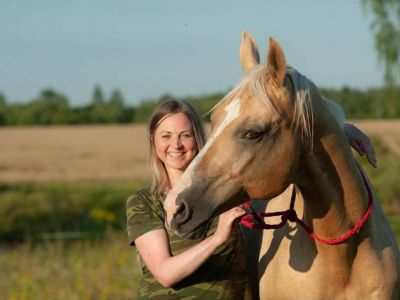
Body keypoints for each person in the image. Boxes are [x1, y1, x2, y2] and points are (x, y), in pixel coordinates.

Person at [126, 99, 376, 300]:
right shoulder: (144, 202)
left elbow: (274, 145)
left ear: (199, 139)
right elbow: (166, 273)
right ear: (152, 139)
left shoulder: (229, 195)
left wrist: (337, 132)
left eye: (185, 135)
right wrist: (217, 239)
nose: (176, 145)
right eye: (166, 136)